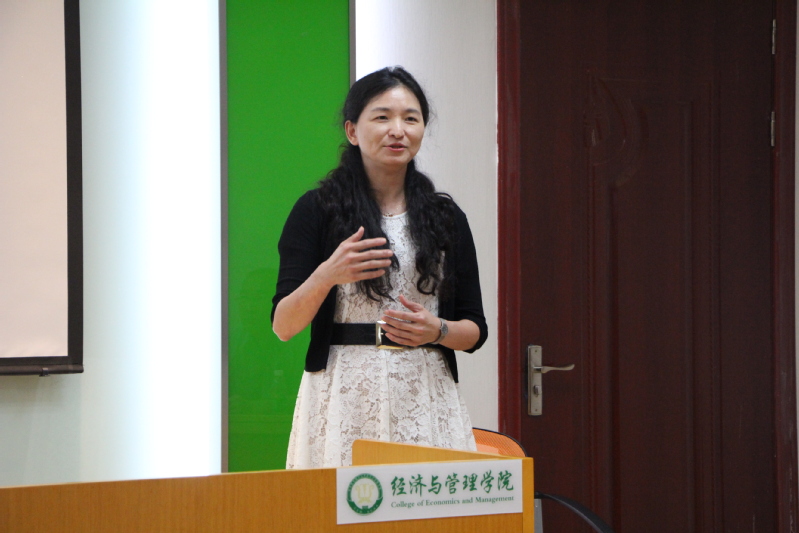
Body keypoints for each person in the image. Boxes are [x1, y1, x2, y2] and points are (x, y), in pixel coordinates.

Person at [271, 66, 488, 468]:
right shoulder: (316, 210)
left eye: (410, 118)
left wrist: (437, 330)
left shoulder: (445, 217)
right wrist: (327, 275)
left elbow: (475, 330)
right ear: (352, 131)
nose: (397, 130)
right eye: (383, 117)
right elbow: (283, 326)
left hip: (425, 390)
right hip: (342, 392)